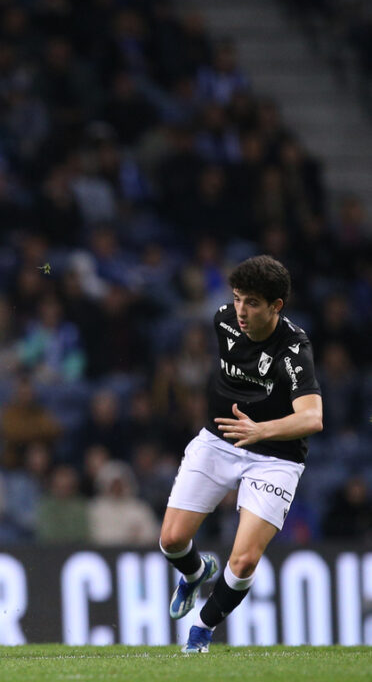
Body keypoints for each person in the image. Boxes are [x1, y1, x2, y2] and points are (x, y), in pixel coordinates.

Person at [159, 255, 322, 653]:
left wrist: (261, 429)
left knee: (245, 560)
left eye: (251, 302)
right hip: (219, 440)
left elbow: (313, 417)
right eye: (237, 299)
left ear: (276, 305)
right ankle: (196, 573)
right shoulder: (223, 320)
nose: (241, 311)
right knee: (172, 540)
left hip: (275, 455)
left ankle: (202, 628)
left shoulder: (294, 348)